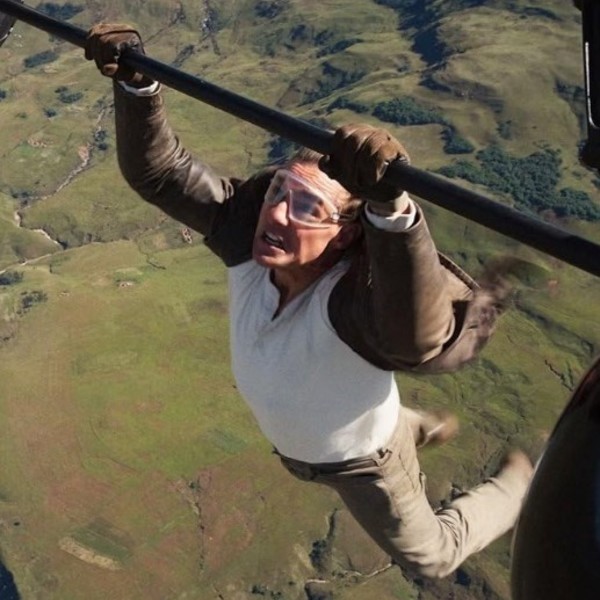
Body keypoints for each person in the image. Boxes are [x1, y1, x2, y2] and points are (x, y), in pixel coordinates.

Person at [84, 24, 534, 579]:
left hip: (363, 464)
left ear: (344, 236)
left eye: (305, 208)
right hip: (318, 438)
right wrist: (136, 83)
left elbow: (415, 335)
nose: (276, 214)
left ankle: (518, 486)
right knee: (389, 418)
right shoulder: (248, 248)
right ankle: (421, 426)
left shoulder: (350, 306)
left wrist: (391, 212)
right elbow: (161, 174)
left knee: (433, 557)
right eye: (278, 192)